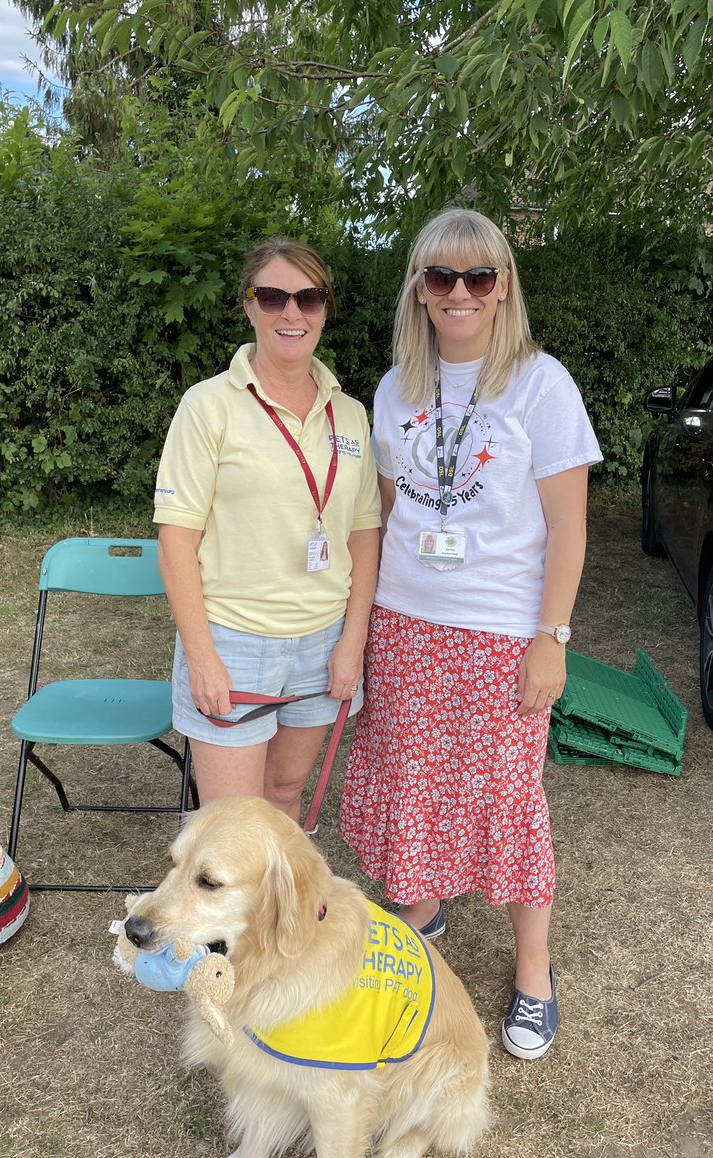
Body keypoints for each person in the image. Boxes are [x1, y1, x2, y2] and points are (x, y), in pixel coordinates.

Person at [339, 208, 602, 1061]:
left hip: (498, 630)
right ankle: (421, 906)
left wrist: (550, 637)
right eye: (441, 277)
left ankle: (533, 972)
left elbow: (567, 528)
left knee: (508, 795)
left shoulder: (540, 385)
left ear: (502, 289)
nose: (459, 293)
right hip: (405, 622)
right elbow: (379, 518)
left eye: (478, 277)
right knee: (411, 775)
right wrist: (362, 632)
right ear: (418, 288)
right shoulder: (394, 388)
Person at [153, 237, 381, 822]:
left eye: (309, 298)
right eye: (274, 296)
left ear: (326, 309)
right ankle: (234, 917)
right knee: (231, 822)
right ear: (249, 304)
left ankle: (276, 917)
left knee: (283, 798)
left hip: (324, 641)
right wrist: (202, 657)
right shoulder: (207, 407)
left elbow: (362, 534)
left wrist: (352, 642)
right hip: (234, 639)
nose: (292, 313)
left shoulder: (351, 414)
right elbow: (177, 538)